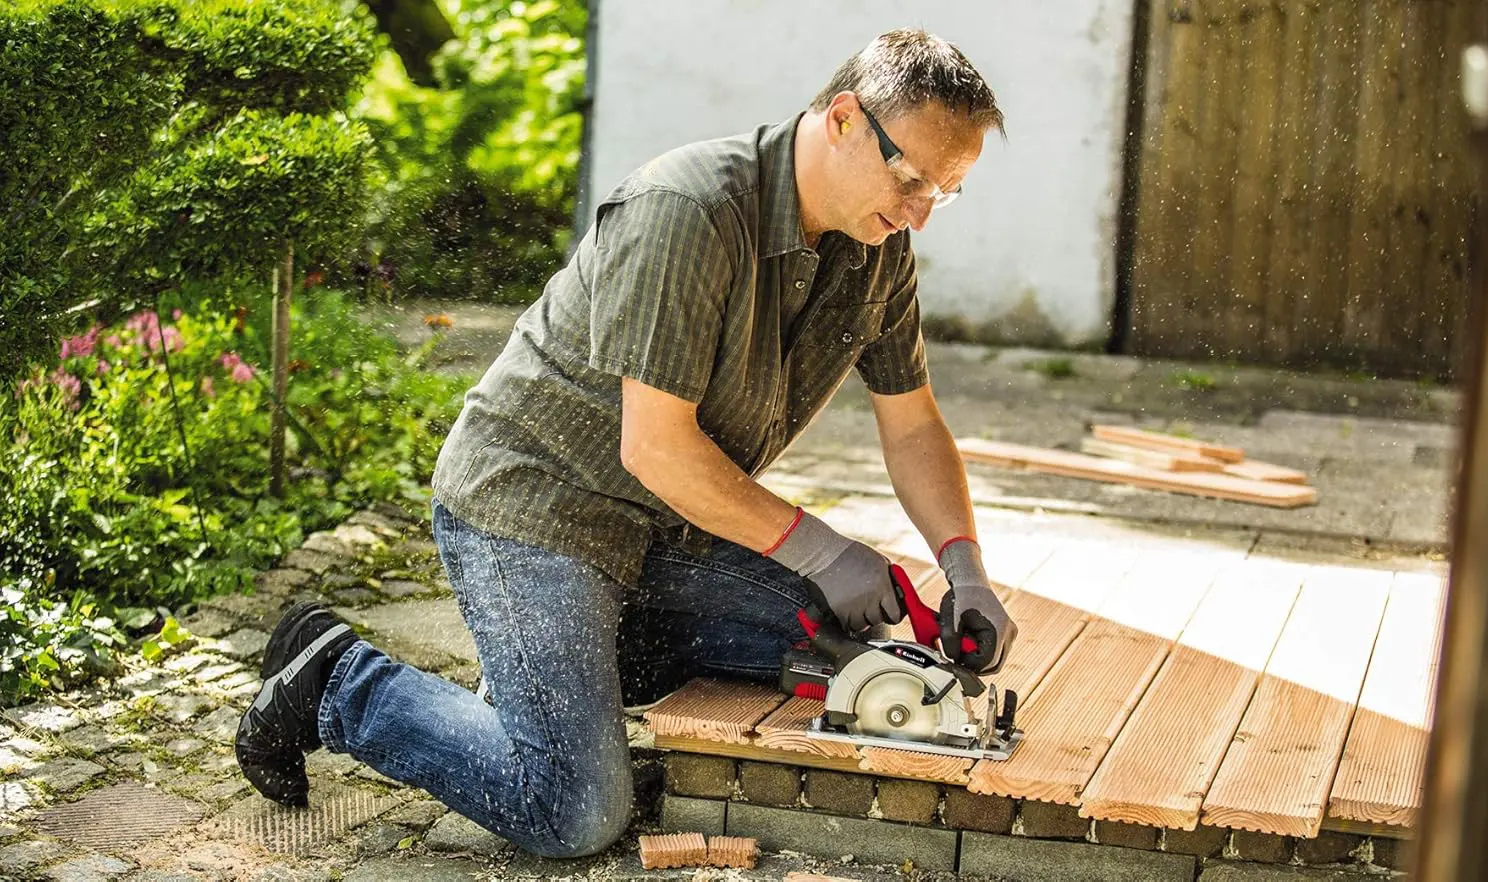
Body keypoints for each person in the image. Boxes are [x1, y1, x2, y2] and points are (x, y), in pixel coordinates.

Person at [234, 27, 1019, 859]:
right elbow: (657, 449)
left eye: (946, 192)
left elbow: (913, 423)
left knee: (855, 645)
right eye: (910, 179)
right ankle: (339, 680)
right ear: (844, 119)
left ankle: (584, 665)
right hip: (536, 512)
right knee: (574, 809)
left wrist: (965, 567)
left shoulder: (877, 246)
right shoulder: (690, 211)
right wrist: (822, 550)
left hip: (663, 532)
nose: (919, 214)